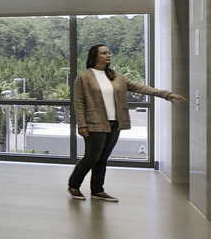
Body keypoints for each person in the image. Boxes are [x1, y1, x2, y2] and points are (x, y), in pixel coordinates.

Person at [68, 43, 184, 202]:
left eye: (109, 53)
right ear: (95, 56)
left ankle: (97, 190)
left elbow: (141, 88)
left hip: (115, 123)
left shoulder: (117, 77)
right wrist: (82, 124)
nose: (108, 55)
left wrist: (166, 94)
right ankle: (74, 185)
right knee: (91, 157)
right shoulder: (84, 76)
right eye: (103, 53)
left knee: (103, 158)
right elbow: (79, 102)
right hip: (95, 123)